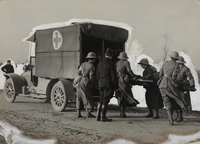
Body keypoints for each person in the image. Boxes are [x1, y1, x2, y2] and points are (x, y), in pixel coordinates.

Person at [157, 51, 188, 125]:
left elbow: (160, 74)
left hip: (162, 85)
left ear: (170, 57)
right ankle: (182, 112)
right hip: (170, 86)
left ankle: (170, 120)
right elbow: (174, 77)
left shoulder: (165, 64)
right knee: (178, 99)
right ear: (177, 58)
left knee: (167, 102)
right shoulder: (176, 65)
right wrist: (180, 83)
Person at [115, 52, 140, 118]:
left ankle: (121, 111)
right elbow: (129, 71)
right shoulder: (126, 63)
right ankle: (123, 112)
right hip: (124, 81)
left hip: (118, 81)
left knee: (120, 96)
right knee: (126, 95)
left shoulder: (117, 63)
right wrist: (134, 76)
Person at [96, 48, 118, 122]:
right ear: (111, 55)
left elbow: (97, 75)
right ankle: (103, 117)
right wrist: (116, 86)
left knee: (101, 99)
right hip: (108, 83)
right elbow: (113, 76)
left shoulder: (100, 63)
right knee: (105, 100)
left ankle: (98, 116)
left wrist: (99, 83)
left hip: (100, 83)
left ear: (105, 55)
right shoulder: (111, 64)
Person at [172, 56, 196, 121]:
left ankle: (180, 116)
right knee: (176, 102)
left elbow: (190, 77)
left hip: (183, 87)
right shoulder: (175, 69)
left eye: (179, 63)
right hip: (176, 87)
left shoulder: (186, 69)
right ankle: (178, 116)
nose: (178, 64)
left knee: (183, 102)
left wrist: (192, 85)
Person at [76, 52, 97, 118]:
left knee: (79, 97)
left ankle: (78, 113)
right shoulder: (92, 66)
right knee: (87, 96)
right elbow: (92, 77)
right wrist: (94, 84)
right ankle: (88, 113)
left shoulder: (82, 64)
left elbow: (78, 72)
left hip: (79, 81)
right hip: (85, 82)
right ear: (93, 59)